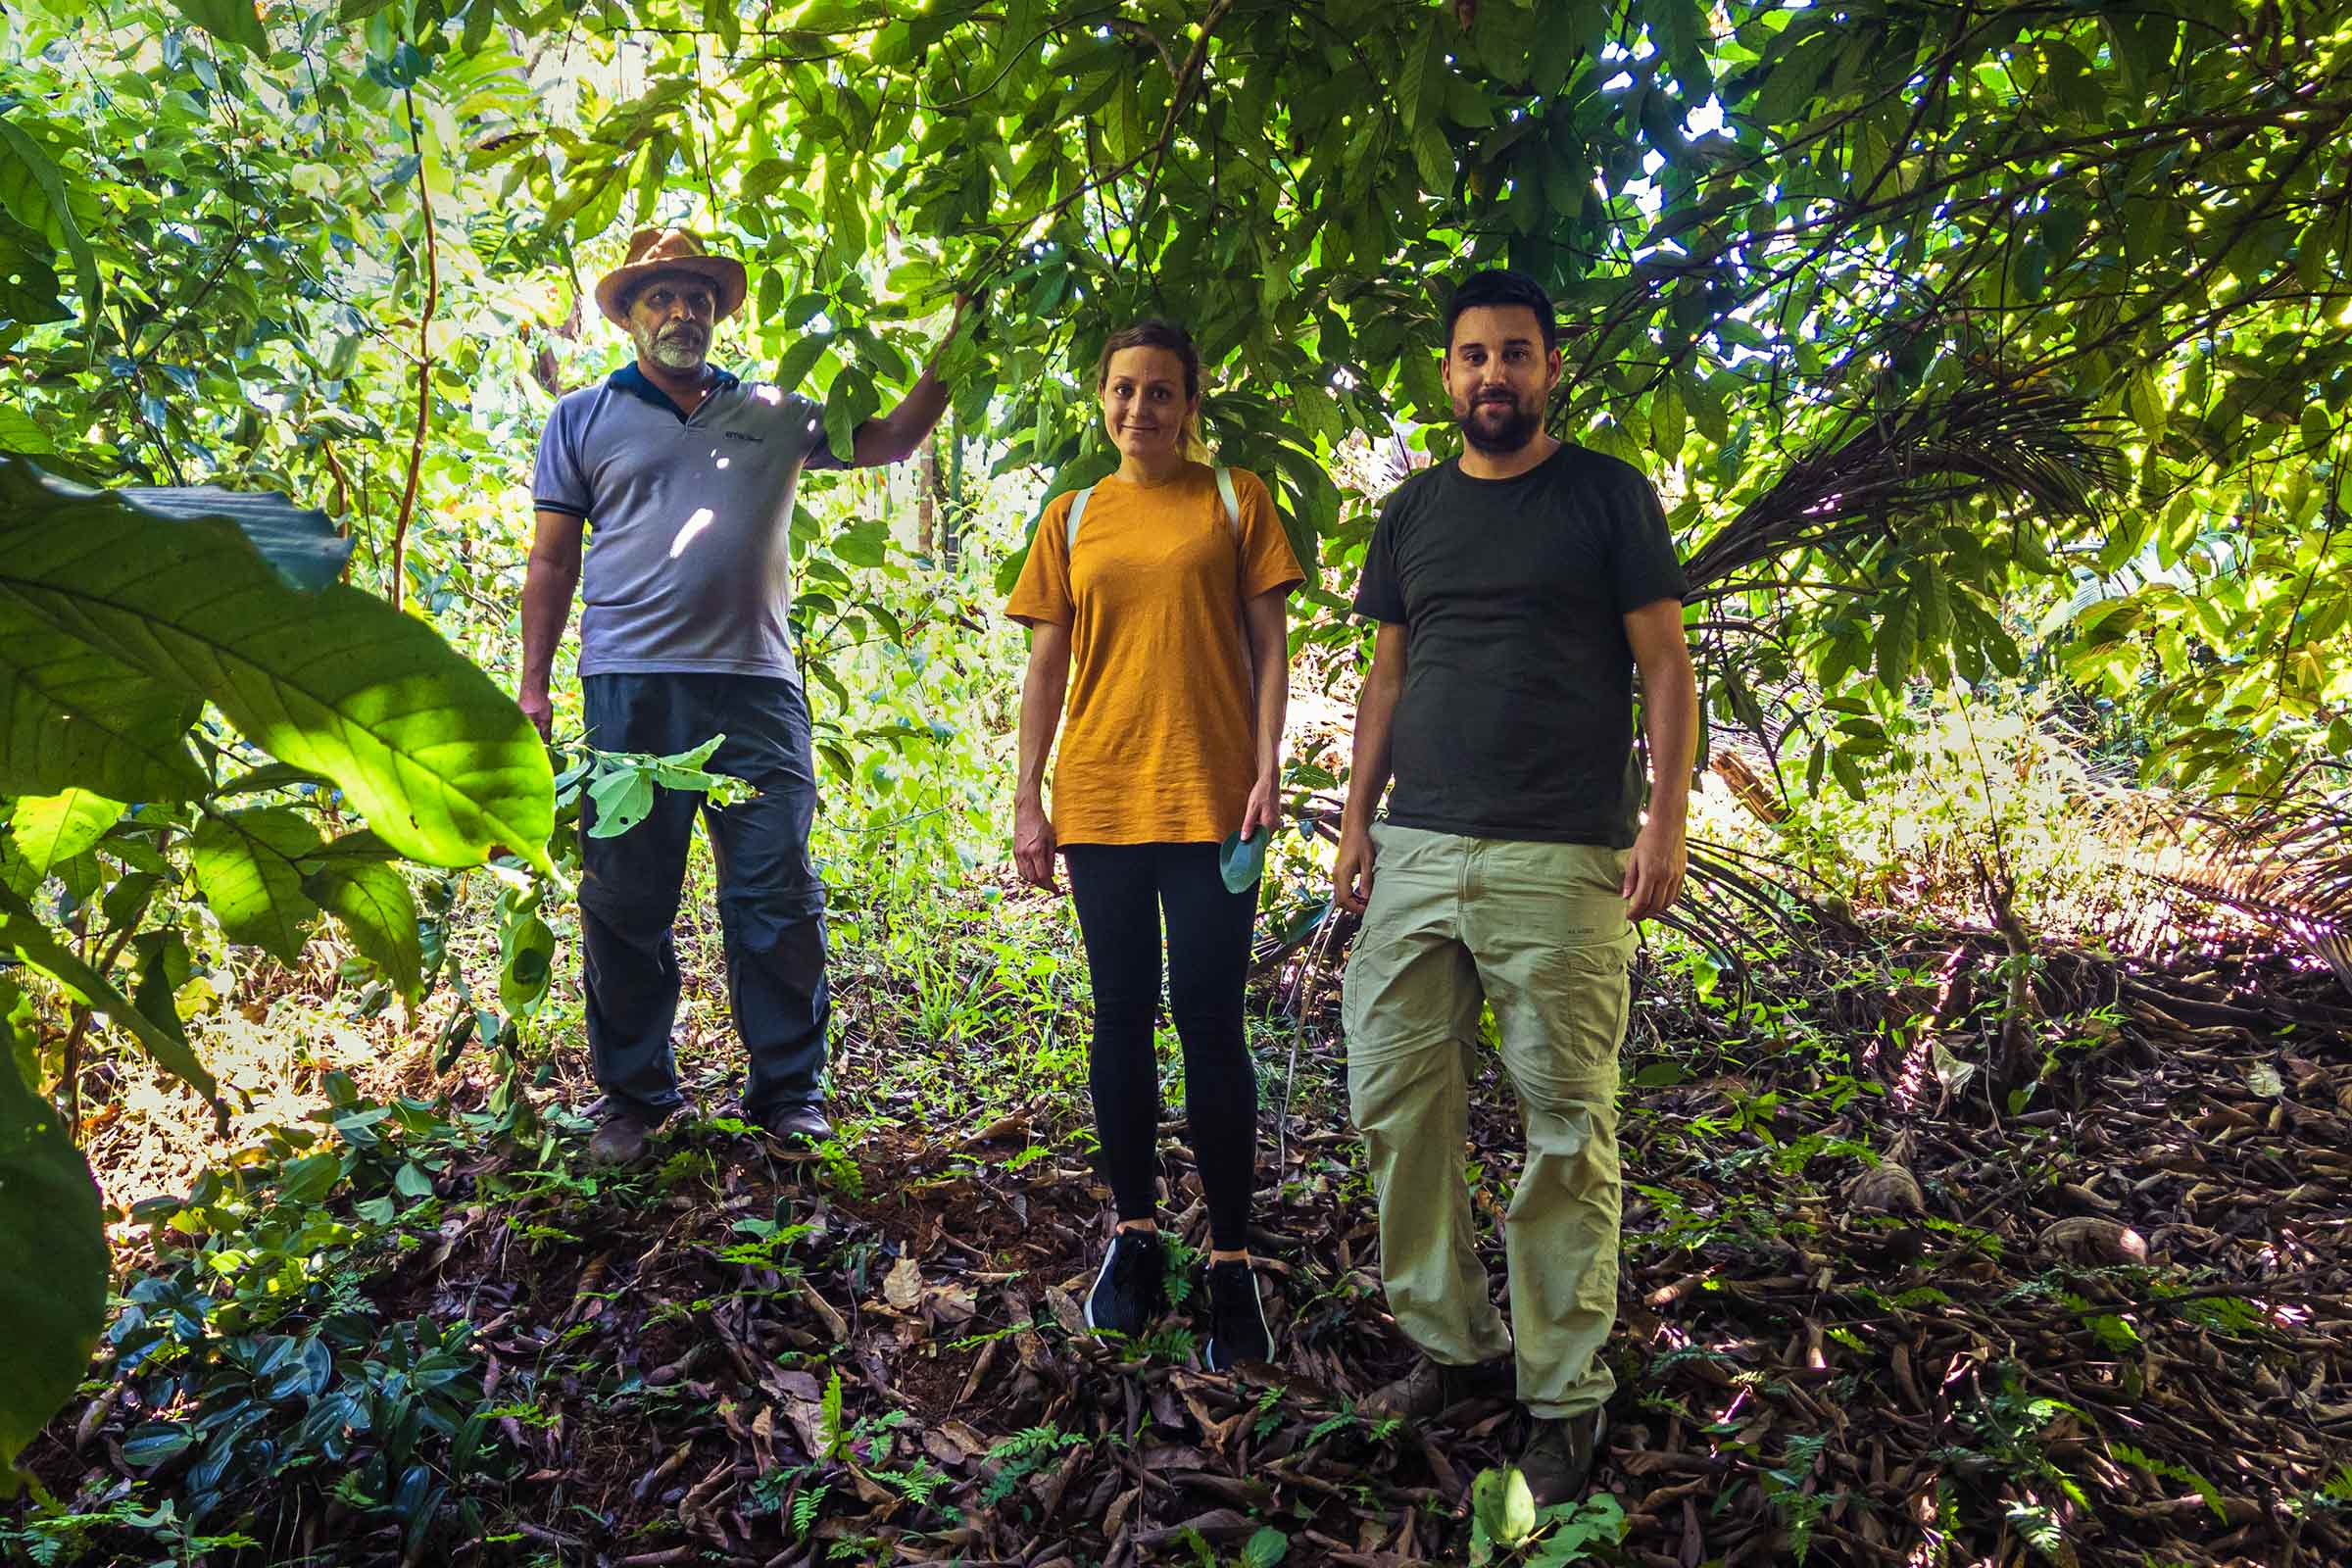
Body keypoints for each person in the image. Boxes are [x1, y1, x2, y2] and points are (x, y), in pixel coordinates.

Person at [1332, 269, 1697, 1502]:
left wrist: (1665, 823)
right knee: (1394, 1097)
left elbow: (1666, 668)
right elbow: (1387, 677)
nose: (1495, 373)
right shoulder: (1415, 512)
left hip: (1561, 856)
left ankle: (1563, 1390)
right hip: (1420, 846)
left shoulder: (1604, 496)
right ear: (1449, 375)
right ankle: (1453, 1344)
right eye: (1474, 355)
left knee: (1565, 1129)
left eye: (1517, 353)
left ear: (1550, 369)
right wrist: (1354, 826)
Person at [520, 226, 970, 1164]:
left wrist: (955, 345)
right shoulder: (582, 420)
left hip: (756, 693)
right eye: (661, 298)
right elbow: (553, 559)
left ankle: (790, 1095)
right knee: (626, 899)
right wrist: (533, 689)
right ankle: (636, 1101)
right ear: (631, 316)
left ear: (719, 314)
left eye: (698, 298)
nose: (682, 313)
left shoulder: (774, 413)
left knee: (775, 894)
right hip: (629, 692)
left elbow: (890, 438)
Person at [1005, 319, 1304, 1372]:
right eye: (1125, 390)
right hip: (1099, 800)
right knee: (1121, 1016)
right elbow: (1048, 667)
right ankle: (1134, 1235)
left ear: (1192, 402)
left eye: (1163, 392)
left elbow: (1271, 645)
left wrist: (1269, 765)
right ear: (1102, 398)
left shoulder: (1237, 500)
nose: (1143, 409)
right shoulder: (1072, 515)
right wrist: (1026, 795)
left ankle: (1230, 1258)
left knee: (1213, 1022)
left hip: (1214, 799)